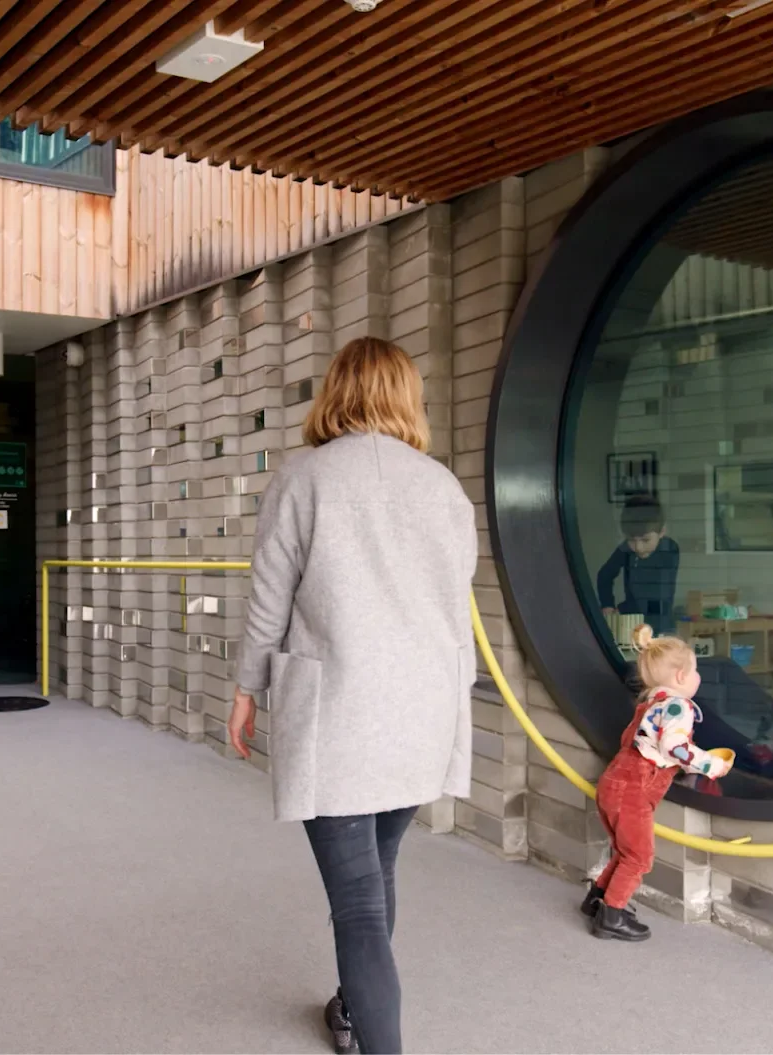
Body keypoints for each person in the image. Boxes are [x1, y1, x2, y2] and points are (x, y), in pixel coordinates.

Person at [229, 336, 477, 1055]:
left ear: (333, 392)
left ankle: (374, 1034)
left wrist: (246, 689)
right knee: (377, 872)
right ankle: (349, 1005)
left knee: (359, 904)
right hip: (421, 712)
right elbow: (458, 609)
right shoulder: (443, 488)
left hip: (339, 713)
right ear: (408, 398)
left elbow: (268, 599)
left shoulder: (304, 477)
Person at [582, 623, 732, 941]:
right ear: (680, 676)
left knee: (624, 851)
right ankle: (612, 916)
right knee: (638, 857)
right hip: (633, 791)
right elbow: (674, 747)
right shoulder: (678, 706)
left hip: (614, 784)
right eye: (695, 671)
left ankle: (599, 900)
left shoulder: (649, 704)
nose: (697, 678)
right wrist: (712, 765)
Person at [596, 499, 681, 635]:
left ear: (662, 532)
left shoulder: (669, 550)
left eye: (645, 540)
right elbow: (605, 574)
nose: (638, 547)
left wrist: (622, 609)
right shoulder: (626, 550)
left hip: (660, 625)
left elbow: (653, 593)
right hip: (633, 625)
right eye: (631, 540)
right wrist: (607, 604)